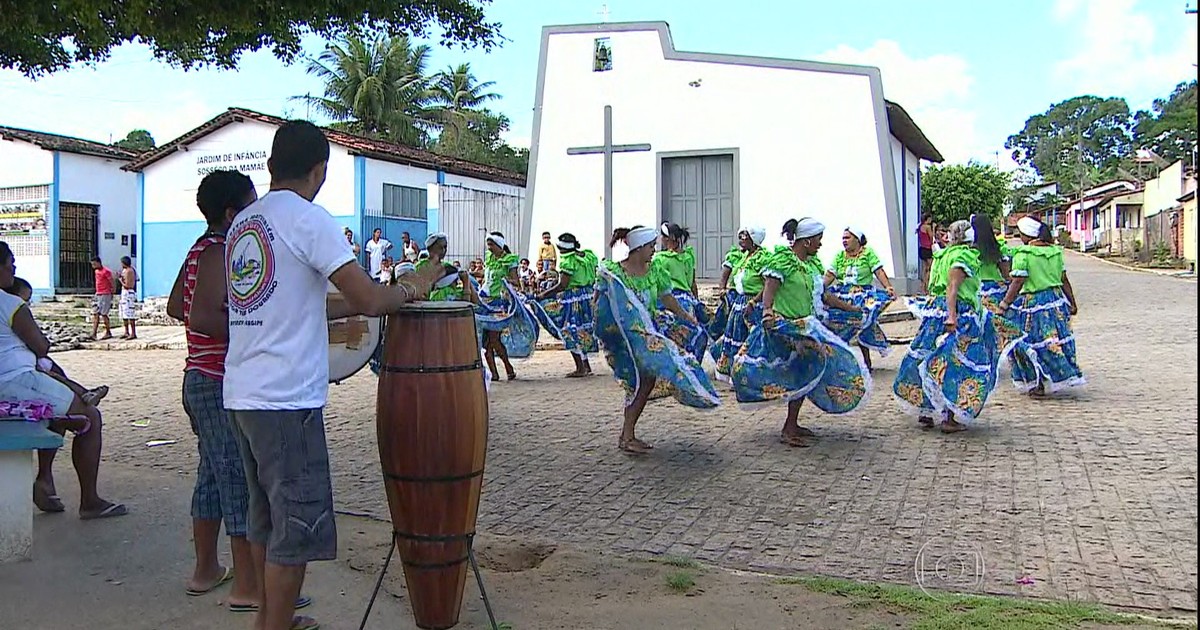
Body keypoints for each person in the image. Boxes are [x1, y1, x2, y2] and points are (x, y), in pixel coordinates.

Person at [222, 121, 438, 630]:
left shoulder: (245, 225)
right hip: (284, 399)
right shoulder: (308, 219)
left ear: (273, 164)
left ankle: (266, 621)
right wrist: (411, 288)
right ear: (319, 170)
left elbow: (300, 305)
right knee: (294, 525)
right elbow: (368, 299)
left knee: (267, 517)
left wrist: (361, 306)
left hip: (244, 393)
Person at [163, 169, 263, 609]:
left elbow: (173, 306)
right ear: (231, 213)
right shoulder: (221, 252)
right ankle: (248, 586)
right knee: (237, 477)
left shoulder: (199, 249)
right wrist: (253, 330)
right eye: (252, 205)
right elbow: (201, 317)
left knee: (212, 474)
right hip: (216, 380)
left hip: (200, 378)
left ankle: (207, 570)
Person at [0, 241, 126, 519]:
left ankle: (45, 479)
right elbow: (41, 346)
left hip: (15, 383)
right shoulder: (10, 304)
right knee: (89, 417)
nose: (14, 268)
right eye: (10, 263)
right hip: (14, 381)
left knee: (60, 407)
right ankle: (89, 501)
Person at [730, 227, 872, 447]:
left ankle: (791, 424)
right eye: (818, 240)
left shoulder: (811, 266)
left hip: (806, 326)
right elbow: (770, 286)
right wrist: (765, 310)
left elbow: (823, 295)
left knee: (804, 371)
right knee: (800, 371)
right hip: (786, 327)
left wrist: (851, 309)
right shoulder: (783, 261)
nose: (820, 245)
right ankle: (789, 426)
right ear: (805, 242)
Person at [594, 226, 718, 454]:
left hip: (649, 333)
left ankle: (627, 434)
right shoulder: (614, 274)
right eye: (651, 247)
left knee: (644, 384)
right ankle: (627, 435)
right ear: (639, 248)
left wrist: (686, 316)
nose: (654, 250)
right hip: (628, 340)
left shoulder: (654, 271)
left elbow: (666, 298)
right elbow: (599, 305)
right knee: (642, 383)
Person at [893, 219, 1024, 433]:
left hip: (936, 312)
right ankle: (949, 417)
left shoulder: (943, 254)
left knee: (930, 356)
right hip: (958, 314)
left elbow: (937, 286)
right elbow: (953, 287)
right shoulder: (962, 256)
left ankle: (926, 409)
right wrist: (952, 317)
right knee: (958, 363)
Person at [998, 216, 1085, 396]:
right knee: (1054, 342)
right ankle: (1052, 376)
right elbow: (1063, 280)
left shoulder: (1024, 254)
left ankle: (1038, 382)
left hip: (1033, 305)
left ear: (1027, 235)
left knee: (1029, 343)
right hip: (1055, 303)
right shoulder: (1055, 252)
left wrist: (1005, 303)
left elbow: (1018, 281)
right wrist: (1072, 302)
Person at [4, 277, 108, 405]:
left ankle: (82, 392)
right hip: (19, 367)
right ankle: (81, 393)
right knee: (52, 375)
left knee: (54, 371)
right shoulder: (13, 311)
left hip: (27, 359)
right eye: (26, 300)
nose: (28, 303)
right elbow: (40, 346)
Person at [821, 227, 896, 370]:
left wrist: (888, 287)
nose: (844, 241)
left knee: (862, 323)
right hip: (843, 295)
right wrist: (819, 288)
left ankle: (866, 360)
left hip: (862, 295)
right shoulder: (839, 256)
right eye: (843, 238)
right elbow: (830, 275)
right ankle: (843, 360)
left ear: (857, 239)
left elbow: (878, 271)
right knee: (838, 324)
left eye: (847, 238)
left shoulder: (868, 254)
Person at [475, 232, 539, 381]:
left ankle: (507, 367)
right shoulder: (490, 258)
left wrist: (505, 281)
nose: (489, 248)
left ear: (499, 245)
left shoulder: (509, 260)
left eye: (492, 245)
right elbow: (487, 276)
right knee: (487, 341)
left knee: (494, 338)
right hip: (485, 301)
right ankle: (497, 373)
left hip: (499, 303)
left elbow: (516, 282)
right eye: (488, 245)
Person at [535, 233, 599, 378]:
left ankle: (580, 367)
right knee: (582, 331)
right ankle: (586, 365)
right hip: (587, 296)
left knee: (569, 331)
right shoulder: (587, 256)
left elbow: (562, 284)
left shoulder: (568, 261)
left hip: (574, 299)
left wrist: (543, 295)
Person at [712, 227, 771, 379]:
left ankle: (748, 376)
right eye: (741, 235)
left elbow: (768, 285)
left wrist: (754, 301)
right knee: (735, 337)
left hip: (753, 304)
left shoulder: (762, 259)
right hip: (740, 302)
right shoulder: (744, 257)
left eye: (746, 235)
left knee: (750, 340)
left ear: (754, 239)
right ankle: (734, 374)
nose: (741, 238)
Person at [653, 222, 710, 361]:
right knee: (695, 330)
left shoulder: (660, 259)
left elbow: (657, 284)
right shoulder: (688, 257)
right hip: (688, 299)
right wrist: (696, 300)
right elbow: (692, 283)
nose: (661, 239)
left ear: (670, 238)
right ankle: (694, 363)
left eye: (663, 236)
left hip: (670, 299)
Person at [976, 215, 1013, 310]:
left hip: (976, 288)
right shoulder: (999, 248)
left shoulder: (969, 251)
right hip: (996, 288)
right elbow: (1006, 273)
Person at [90, 256, 115, 340]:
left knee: (104, 314)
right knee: (95, 313)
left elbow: (112, 281)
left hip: (105, 294)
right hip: (98, 293)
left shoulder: (106, 271)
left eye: (94, 264)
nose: (93, 266)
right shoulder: (96, 271)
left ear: (98, 263)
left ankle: (108, 332)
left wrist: (112, 292)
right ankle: (94, 333)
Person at [117, 256, 138, 340]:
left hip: (128, 293)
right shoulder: (125, 270)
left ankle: (133, 333)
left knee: (130, 313)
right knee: (124, 313)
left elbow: (128, 285)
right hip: (124, 294)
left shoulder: (129, 271)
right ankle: (126, 331)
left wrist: (120, 280)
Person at [917, 215, 934, 292]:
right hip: (927, 249)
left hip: (922, 248)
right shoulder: (928, 227)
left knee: (924, 268)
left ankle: (923, 286)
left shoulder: (920, 227)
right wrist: (933, 228)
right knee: (930, 268)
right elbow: (931, 237)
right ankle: (927, 286)